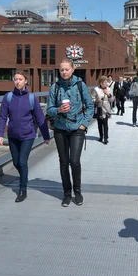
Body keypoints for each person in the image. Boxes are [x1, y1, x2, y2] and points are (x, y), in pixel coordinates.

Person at [47, 59, 94, 207]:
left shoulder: (80, 85)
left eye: (67, 69)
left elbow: (90, 105)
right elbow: (49, 109)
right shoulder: (55, 87)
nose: (64, 72)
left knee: (74, 161)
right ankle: (67, 193)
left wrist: (83, 124)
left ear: (73, 69)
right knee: (63, 162)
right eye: (62, 70)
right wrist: (58, 110)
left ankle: (77, 191)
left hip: (77, 129)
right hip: (60, 129)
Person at [0, 71, 50, 203]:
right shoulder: (8, 97)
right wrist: (0, 135)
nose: (18, 81)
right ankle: (24, 178)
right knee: (15, 162)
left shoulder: (32, 98)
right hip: (13, 135)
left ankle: (22, 190)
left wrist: (46, 136)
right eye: (15, 79)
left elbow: (40, 118)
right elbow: (3, 117)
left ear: (26, 81)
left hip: (28, 135)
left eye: (20, 79)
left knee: (22, 161)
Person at [92, 76, 115, 144]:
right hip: (99, 108)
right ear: (101, 83)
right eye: (105, 82)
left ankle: (105, 138)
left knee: (105, 124)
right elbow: (92, 98)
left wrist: (108, 94)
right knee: (99, 124)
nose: (106, 83)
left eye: (106, 82)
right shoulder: (96, 89)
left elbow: (112, 99)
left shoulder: (108, 89)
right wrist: (96, 100)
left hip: (106, 109)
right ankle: (101, 136)